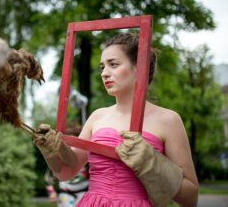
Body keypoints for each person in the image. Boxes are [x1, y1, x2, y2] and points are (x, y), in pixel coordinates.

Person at [33, 33, 199, 206]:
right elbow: (66, 173)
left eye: (113, 64)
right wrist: (52, 152)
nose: (104, 73)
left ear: (139, 67)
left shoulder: (169, 120)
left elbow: (190, 197)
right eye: (102, 67)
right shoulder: (97, 116)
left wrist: (153, 163)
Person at [44, 123, 90, 207]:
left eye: (75, 144)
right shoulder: (58, 159)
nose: (71, 148)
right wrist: (51, 192)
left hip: (84, 195)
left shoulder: (87, 159)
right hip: (65, 196)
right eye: (68, 145)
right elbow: (49, 178)